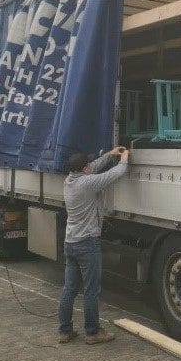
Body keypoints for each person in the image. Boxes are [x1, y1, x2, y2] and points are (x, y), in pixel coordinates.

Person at [58, 146, 129, 344]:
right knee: (91, 290)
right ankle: (92, 332)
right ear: (85, 169)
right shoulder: (87, 183)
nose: (91, 166)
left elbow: (94, 167)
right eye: (88, 165)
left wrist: (109, 154)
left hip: (71, 242)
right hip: (87, 243)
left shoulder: (69, 181)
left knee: (69, 288)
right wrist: (124, 158)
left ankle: (65, 330)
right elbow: (115, 173)